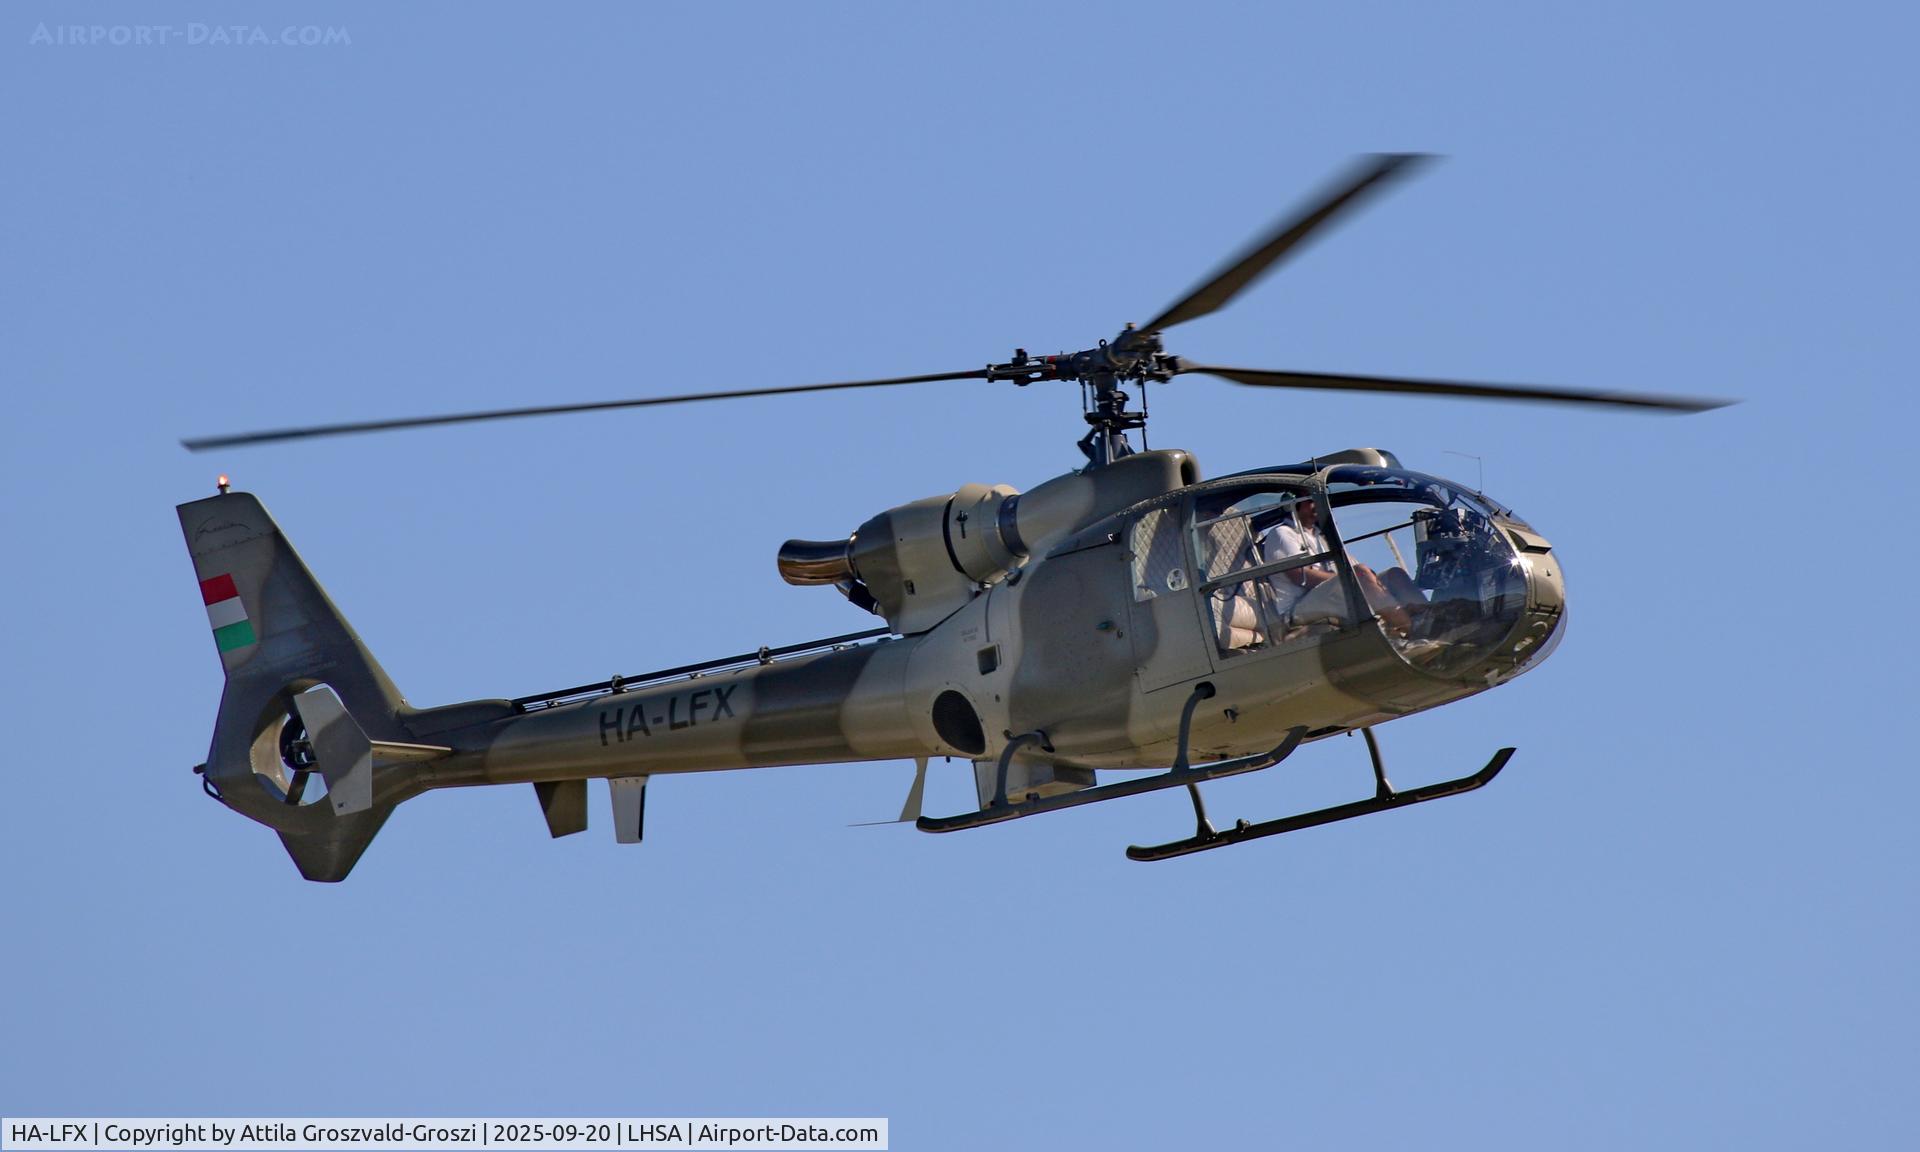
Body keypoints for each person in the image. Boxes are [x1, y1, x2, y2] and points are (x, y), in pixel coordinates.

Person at [1262, 496, 1426, 636]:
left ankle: (1430, 618)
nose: (1317, 505)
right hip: (1298, 608)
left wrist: (1373, 582)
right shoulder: (1283, 533)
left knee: (1394, 575)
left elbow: (1355, 567)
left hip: (1326, 595)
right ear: (1293, 503)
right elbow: (1299, 575)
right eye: (1310, 500)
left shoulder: (1321, 537)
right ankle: (1414, 630)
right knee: (1360, 575)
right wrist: (1355, 578)